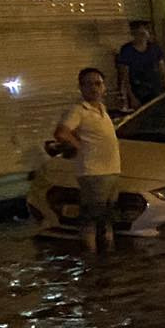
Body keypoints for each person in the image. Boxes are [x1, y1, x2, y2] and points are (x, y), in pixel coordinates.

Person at [52, 67, 121, 253]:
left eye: (98, 83)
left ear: (104, 87)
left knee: (106, 216)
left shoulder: (103, 110)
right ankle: (90, 255)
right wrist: (79, 146)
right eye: (88, 84)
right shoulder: (78, 110)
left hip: (111, 170)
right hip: (93, 172)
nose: (94, 88)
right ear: (81, 88)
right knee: (92, 216)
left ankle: (106, 252)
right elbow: (61, 132)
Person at [113, 21, 165, 111]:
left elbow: (163, 71)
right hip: (138, 91)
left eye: (144, 33)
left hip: (156, 89)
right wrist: (132, 97)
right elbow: (125, 76)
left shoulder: (154, 48)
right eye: (139, 33)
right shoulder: (127, 50)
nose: (142, 37)